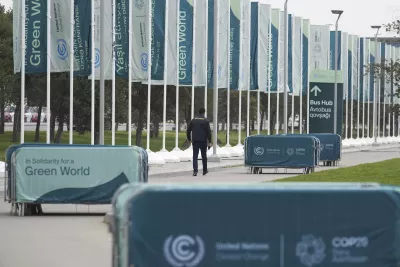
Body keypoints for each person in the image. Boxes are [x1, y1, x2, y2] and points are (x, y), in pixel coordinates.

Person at [187, 108, 212, 176]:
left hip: (195, 140)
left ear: (198, 112)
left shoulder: (193, 120)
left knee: (195, 156)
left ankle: (195, 171)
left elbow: (188, 130)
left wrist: (189, 139)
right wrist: (209, 141)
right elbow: (208, 132)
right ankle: (204, 170)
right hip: (203, 140)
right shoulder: (206, 121)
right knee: (204, 156)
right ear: (204, 112)